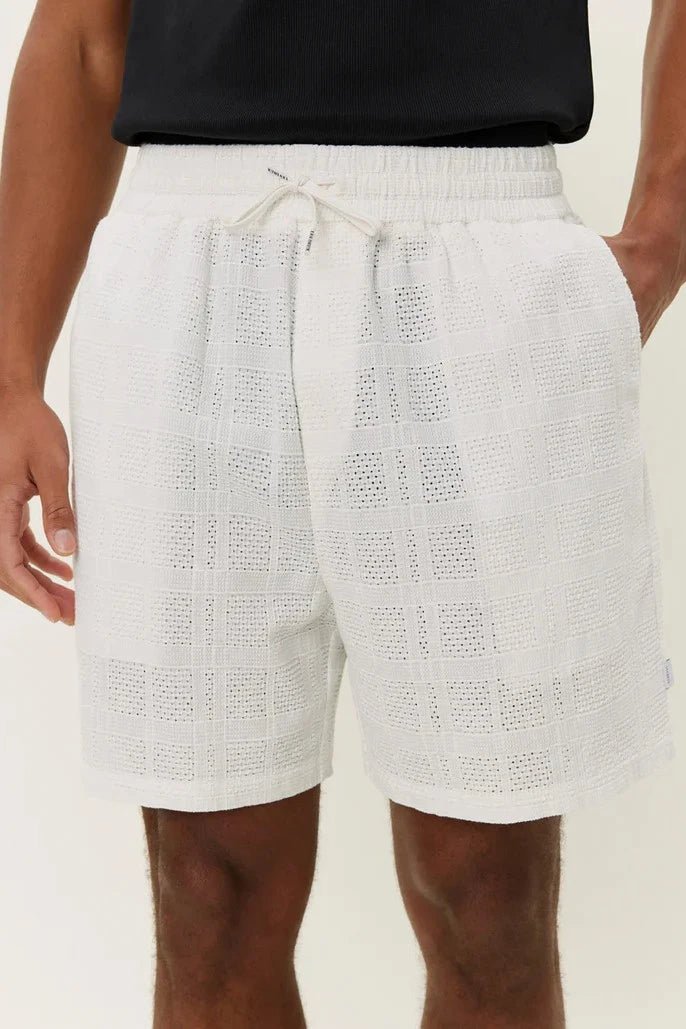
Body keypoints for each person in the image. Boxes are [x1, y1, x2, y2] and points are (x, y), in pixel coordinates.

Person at [0, 1, 682, 1026]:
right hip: (190, 262)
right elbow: (87, 31)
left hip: (481, 261)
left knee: (486, 895)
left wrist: (662, 235)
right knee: (206, 889)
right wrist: (10, 373)